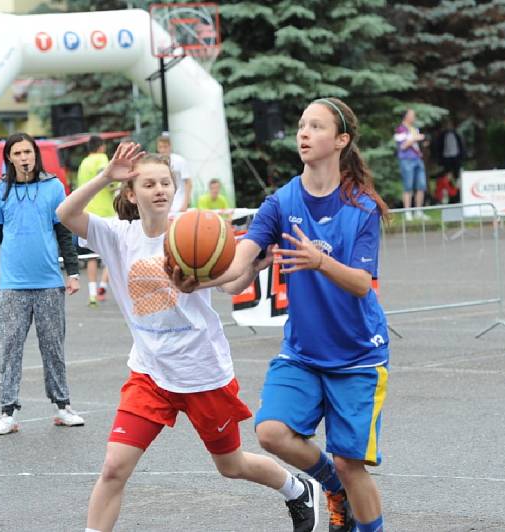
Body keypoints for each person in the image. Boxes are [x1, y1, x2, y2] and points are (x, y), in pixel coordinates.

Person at [55, 144, 319, 532]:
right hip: (149, 373)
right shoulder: (116, 236)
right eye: (149, 184)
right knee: (113, 468)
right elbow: (65, 214)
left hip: (202, 372)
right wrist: (105, 176)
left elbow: (232, 285)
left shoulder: (194, 231)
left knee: (232, 466)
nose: (160, 189)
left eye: (166, 182)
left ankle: (297, 489)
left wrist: (252, 269)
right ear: (131, 193)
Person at [172, 97, 390, 532]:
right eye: (301, 125)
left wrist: (320, 261)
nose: (303, 134)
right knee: (270, 432)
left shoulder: (361, 207)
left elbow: (363, 284)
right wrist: (201, 279)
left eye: (316, 126)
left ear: (341, 140)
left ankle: (351, 499)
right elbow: (237, 273)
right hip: (303, 352)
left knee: (352, 464)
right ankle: (331, 486)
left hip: (357, 356)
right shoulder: (281, 202)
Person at [0, 132, 85, 436]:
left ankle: (63, 406)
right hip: (12, 284)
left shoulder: (53, 187)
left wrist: (73, 272)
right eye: (17, 153)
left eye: (28, 152)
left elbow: (65, 232)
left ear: (35, 155)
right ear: (9, 158)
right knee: (10, 348)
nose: (24, 157)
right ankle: (7, 412)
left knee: (53, 346)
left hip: (49, 282)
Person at [76, 135, 113, 307]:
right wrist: (117, 186)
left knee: (91, 256)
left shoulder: (83, 163)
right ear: (101, 147)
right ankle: (103, 287)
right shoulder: (102, 158)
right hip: (106, 213)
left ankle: (91, 294)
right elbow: (105, 178)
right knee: (112, 254)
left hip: (87, 214)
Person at [395, 108, 426, 221]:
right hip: (406, 160)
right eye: (412, 115)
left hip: (418, 159)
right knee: (408, 186)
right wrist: (415, 138)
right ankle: (407, 212)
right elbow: (402, 146)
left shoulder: (414, 129)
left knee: (421, 185)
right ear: (406, 116)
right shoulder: (401, 129)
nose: (414, 117)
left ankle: (418, 211)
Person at [155, 134, 192, 217]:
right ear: (157, 148)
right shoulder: (155, 162)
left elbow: (188, 183)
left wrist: (185, 203)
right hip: (164, 200)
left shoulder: (180, 161)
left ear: (170, 147)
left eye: (165, 147)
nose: (163, 149)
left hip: (179, 200)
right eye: (161, 147)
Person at [432, 118, 464, 204]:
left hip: (456, 158)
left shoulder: (456, 134)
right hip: (446, 158)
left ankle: (457, 196)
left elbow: (461, 147)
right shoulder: (442, 135)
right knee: (447, 178)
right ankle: (448, 197)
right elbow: (439, 148)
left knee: (457, 178)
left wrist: (461, 157)